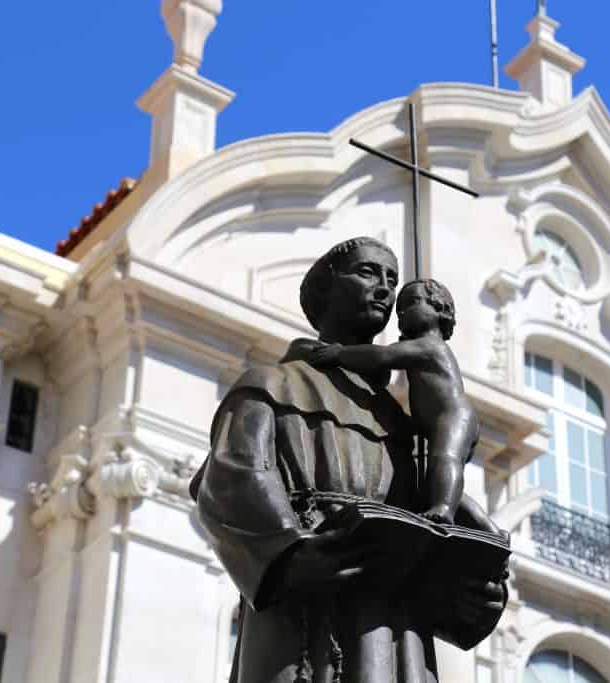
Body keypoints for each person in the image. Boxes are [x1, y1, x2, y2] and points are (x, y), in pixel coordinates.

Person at [188, 237, 506, 683]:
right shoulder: (271, 384)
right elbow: (229, 481)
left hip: (396, 633)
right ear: (326, 289)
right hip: (302, 621)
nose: (384, 289)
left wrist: (471, 592)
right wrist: (288, 555)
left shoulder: (402, 421)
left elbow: (433, 531)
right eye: (367, 272)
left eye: (392, 280)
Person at [308, 278, 483, 526]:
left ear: (440, 309)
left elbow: (383, 356)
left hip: (454, 417)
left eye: (412, 303)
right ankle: (486, 526)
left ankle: (443, 508)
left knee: (444, 460)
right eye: (400, 308)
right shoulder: (419, 347)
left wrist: (339, 354)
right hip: (438, 421)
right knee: (434, 479)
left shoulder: (431, 346)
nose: (402, 312)